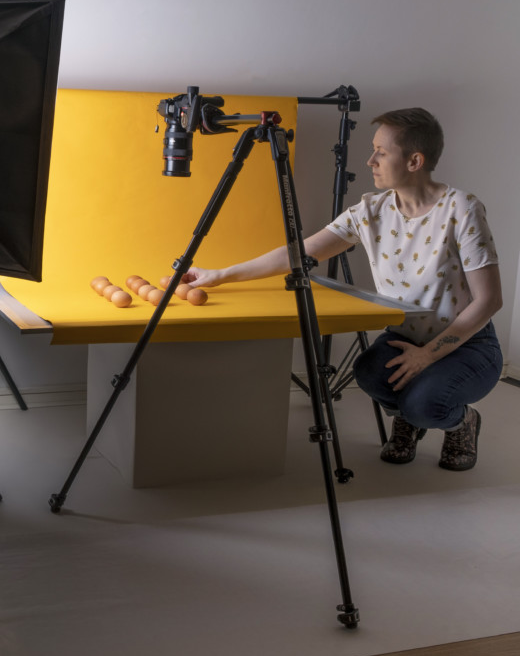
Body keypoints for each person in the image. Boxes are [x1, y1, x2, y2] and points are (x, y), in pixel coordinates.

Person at [179, 108, 503, 471]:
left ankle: (461, 423)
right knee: (368, 374)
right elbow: (299, 252)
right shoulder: (371, 209)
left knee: (425, 404)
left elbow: (489, 300)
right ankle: (409, 419)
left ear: (414, 160)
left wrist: (427, 355)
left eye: (381, 152)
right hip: (404, 338)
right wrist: (220, 274)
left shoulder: (461, 208)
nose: (370, 161)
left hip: (468, 344)